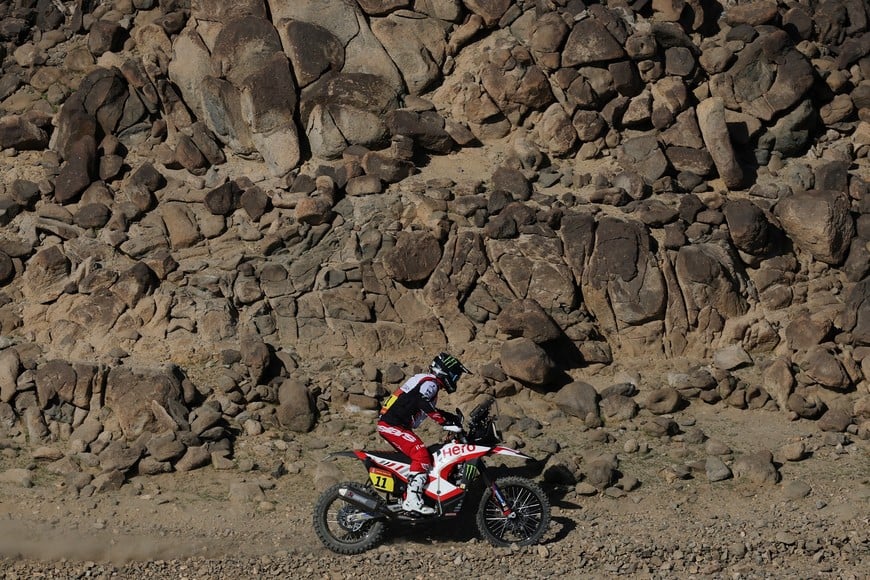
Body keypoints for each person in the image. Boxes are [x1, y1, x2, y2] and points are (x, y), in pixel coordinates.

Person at [377, 352, 470, 515]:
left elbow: (424, 406)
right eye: (456, 375)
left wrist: (449, 417)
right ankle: (412, 501)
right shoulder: (431, 383)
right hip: (392, 424)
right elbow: (422, 401)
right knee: (421, 454)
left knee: (419, 456)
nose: (456, 379)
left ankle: (409, 493)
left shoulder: (427, 380)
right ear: (446, 371)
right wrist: (444, 422)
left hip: (394, 424)